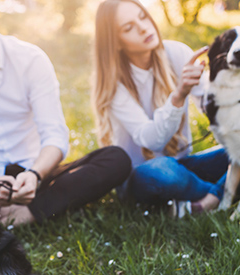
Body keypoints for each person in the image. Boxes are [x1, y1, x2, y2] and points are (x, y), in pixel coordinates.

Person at [0, 0, 132, 226]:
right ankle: (26, 210)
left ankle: (29, 212)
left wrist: (34, 175)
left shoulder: (30, 59)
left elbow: (55, 137)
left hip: (37, 176)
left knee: (116, 159)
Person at [92, 0, 228, 213]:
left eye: (143, 17)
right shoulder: (114, 83)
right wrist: (179, 95)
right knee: (163, 172)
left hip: (182, 165)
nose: (143, 27)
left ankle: (204, 200)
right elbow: (152, 141)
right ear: (115, 42)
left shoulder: (178, 54)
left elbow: (214, 110)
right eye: (128, 28)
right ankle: (225, 192)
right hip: (142, 175)